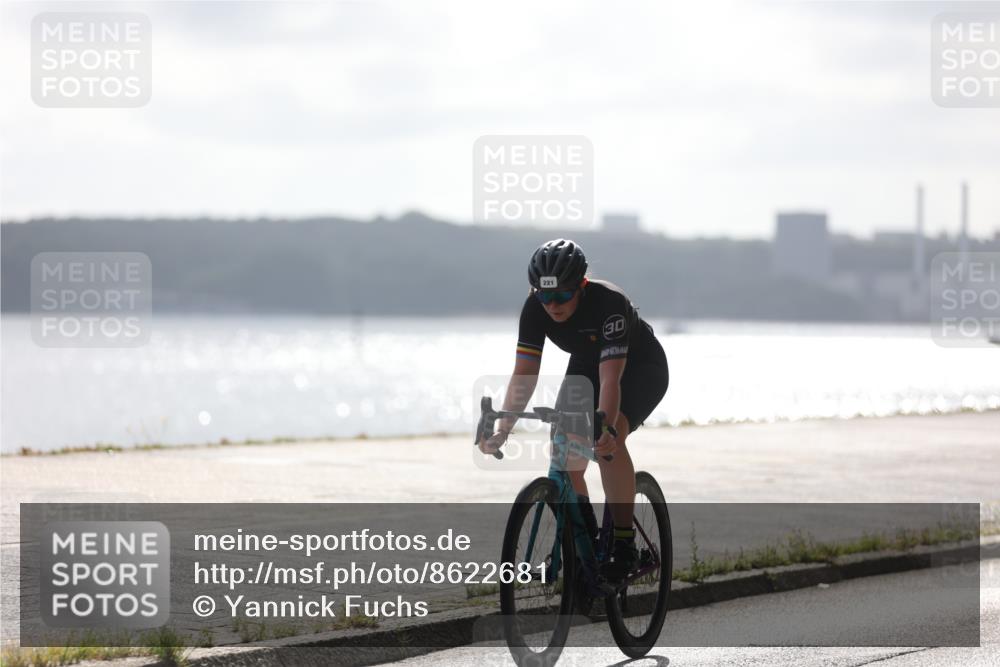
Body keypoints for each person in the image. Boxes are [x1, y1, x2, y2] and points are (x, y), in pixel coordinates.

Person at [478, 238, 669, 581]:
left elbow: (610, 380)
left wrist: (606, 427)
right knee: (564, 447)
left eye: (562, 295)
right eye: (544, 295)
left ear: (581, 285)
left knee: (608, 442)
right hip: (587, 361)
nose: (552, 305)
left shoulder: (609, 303)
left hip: (639, 367)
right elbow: (524, 374)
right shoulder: (534, 309)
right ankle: (587, 545)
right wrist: (504, 428)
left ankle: (623, 544)